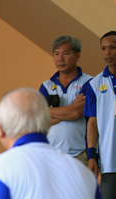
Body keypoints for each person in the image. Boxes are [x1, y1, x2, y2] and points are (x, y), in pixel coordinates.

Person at [39, 35, 92, 165]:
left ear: (77, 56)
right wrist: (71, 108)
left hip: (80, 154)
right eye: (56, 54)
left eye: (65, 53)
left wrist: (48, 111)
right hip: (51, 155)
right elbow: (41, 120)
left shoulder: (89, 82)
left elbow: (77, 113)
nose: (60, 58)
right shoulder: (46, 85)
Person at [84, 31, 116, 199]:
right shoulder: (95, 84)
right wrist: (91, 156)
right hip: (110, 161)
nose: (107, 53)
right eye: (103, 48)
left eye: (112, 47)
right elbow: (92, 123)